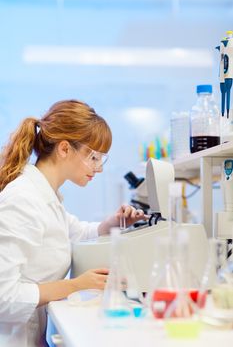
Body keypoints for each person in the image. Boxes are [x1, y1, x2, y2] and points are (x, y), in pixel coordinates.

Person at [0, 99, 147, 347]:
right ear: (65, 149)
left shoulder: (46, 196)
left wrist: (114, 222)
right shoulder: (23, 200)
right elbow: (4, 297)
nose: (98, 168)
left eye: (102, 159)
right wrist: (77, 285)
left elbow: (76, 232)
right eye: (93, 157)